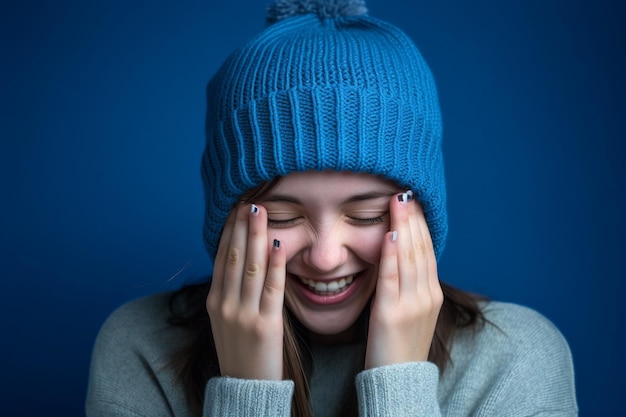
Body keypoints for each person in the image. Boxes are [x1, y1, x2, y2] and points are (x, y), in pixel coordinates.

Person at [86, 0, 578, 416]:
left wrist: (399, 383)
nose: (325, 258)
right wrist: (249, 394)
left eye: (365, 215)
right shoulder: (141, 348)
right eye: (281, 216)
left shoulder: (517, 359)